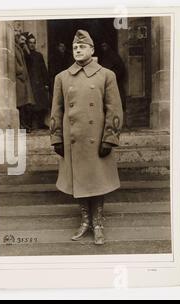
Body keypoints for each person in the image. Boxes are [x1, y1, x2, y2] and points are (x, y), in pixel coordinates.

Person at [50, 30, 123, 245]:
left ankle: (98, 222)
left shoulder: (106, 75)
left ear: (92, 50)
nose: (78, 50)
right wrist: (56, 138)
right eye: (75, 47)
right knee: (78, 180)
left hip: (97, 138)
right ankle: (85, 221)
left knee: (98, 180)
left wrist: (110, 138)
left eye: (82, 47)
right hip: (73, 139)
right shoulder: (62, 77)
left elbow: (115, 109)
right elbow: (56, 110)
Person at [24, 33, 51, 130]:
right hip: (30, 83)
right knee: (30, 104)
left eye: (34, 43)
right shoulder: (25, 55)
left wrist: (46, 83)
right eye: (30, 43)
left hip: (39, 83)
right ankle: (29, 124)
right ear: (27, 43)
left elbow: (43, 69)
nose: (32, 45)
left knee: (42, 104)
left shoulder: (39, 55)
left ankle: (41, 123)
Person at [15, 30, 35, 133]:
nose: (23, 42)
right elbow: (16, 64)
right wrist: (21, 72)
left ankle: (25, 126)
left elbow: (29, 59)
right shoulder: (15, 49)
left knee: (25, 104)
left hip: (23, 79)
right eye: (22, 39)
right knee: (21, 104)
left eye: (24, 40)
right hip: (20, 79)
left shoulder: (21, 49)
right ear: (17, 39)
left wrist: (26, 49)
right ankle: (22, 126)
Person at [99, 42, 126, 109]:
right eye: (102, 47)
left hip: (115, 82)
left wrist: (112, 76)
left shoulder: (114, 56)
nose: (103, 48)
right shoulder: (104, 57)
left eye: (105, 46)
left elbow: (121, 69)